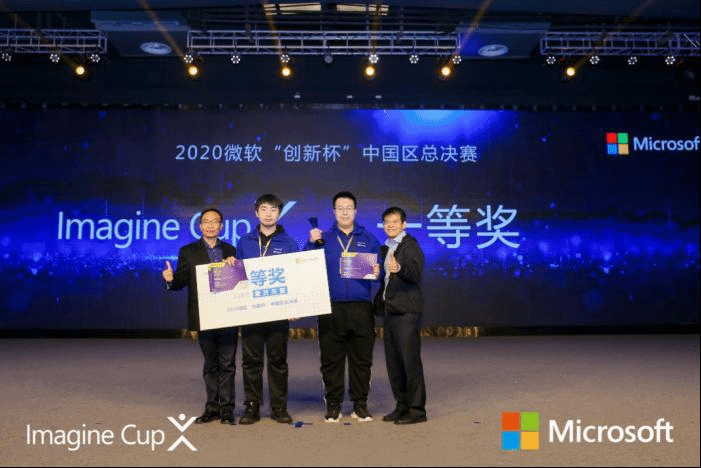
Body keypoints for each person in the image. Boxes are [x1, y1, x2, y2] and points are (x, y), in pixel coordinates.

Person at [304, 191, 381, 423]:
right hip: (331, 307)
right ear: (334, 211)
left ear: (355, 211)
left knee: (362, 360)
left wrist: (378, 272)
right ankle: (333, 405)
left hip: (361, 308)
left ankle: (360, 405)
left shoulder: (369, 239)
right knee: (331, 360)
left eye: (349, 208)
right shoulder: (323, 238)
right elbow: (304, 266)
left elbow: (379, 272)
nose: (345, 212)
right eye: (340, 208)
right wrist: (310, 243)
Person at [162, 207, 238, 425]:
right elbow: (181, 282)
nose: (210, 225)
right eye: (206, 221)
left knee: (228, 364)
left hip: (228, 314)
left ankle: (227, 409)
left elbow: (238, 282)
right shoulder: (188, 251)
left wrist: (235, 269)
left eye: (215, 222)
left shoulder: (230, 249)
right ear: (200, 225)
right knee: (211, 364)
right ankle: (212, 408)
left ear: (221, 226)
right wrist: (170, 279)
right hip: (204, 316)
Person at [235, 194, 299, 425]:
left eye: (273, 209)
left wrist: (294, 305)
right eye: (264, 209)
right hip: (252, 311)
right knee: (251, 362)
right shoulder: (245, 242)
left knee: (278, 361)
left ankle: (279, 407)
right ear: (256, 213)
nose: (268, 214)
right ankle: (252, 407)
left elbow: (296, 277)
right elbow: (238, 276)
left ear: (279, 213)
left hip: (278, 312)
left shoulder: (289, 243)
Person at [374, 206, 427, 424]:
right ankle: (402, 405)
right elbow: (388, 280)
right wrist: (378, 273)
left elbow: (415, 273)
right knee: (394, 363)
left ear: (403, 224)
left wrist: (400, 268)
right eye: (387, 222)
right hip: (391, 310)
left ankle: (417, 410)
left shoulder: (409, 245)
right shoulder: (386, 247)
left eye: (395, 222)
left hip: (406, 311)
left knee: (409, 361)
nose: (390, 225)